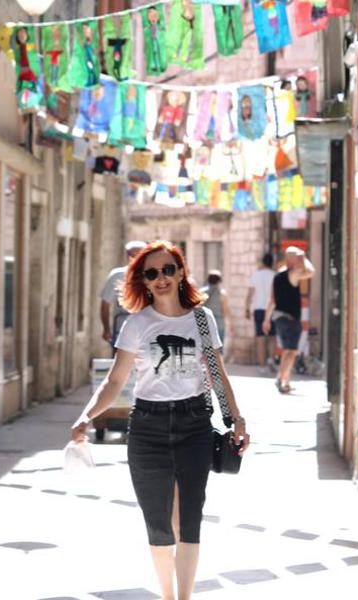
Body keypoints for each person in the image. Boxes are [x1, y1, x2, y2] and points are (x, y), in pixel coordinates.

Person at [73, 242, 249, 600]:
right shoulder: (137, 324)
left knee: (188, 520)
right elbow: (115, 382)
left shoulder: (202, 319)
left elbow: (217, 375)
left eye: (168, 269)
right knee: (159, 523)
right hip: (148, 429)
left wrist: (237, 419)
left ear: (181, 272)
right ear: (144, 281)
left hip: (194, 425)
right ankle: (168, 595)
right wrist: (85, 416)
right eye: (152, 273)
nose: (161, 278)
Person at [263, 245, 314, 394]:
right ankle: (280, 379)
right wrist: (304, 258)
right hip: (290, 319)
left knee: (287, 350)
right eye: (296, 258)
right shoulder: (293, 274)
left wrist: (266, 319)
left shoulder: (277, 276)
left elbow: (272, 300)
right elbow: (311, 272)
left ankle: (286, 381)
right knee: (292, 351)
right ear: (292, 259)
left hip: (279, 317)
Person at [101, 239, 147, 351]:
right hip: (122, 329)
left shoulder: (152, 274)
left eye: (139, 255)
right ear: (127, 256)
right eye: (132, 255)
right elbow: (105, 304)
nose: (135, 259)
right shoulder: (117, 275)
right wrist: (106, 328)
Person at [245, 252, 276, 368]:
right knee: (272, 336)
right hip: (272, 308)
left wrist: (247, 308)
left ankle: (262, 366)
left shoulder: (256, 275)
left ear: (263, 262)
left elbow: (250, 294)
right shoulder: (275, 275)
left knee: (260, 338)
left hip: (258, 308)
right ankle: (271, 359)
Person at [202, 270, 228, 352]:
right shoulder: (222, 293)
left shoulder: (201, 292)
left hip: (204, 322)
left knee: (205, 349)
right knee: (218, 349)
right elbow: (225, 310)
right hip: (219, 323)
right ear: (219, 281)